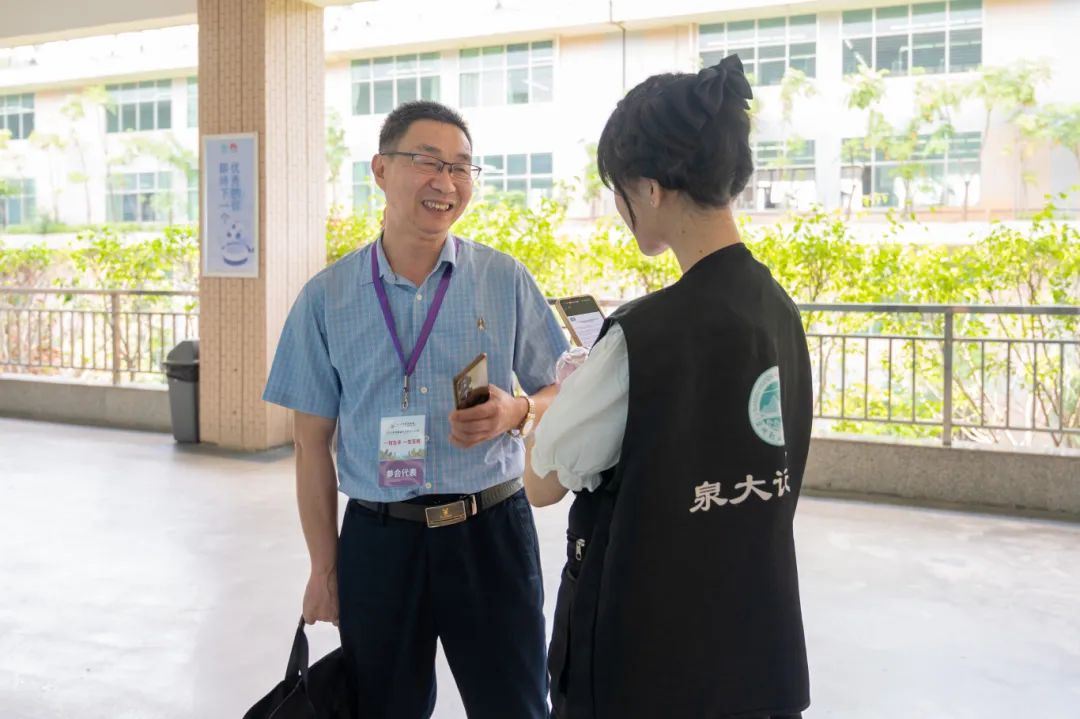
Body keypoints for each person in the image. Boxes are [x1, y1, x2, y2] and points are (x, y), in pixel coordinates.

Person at [524, 55, 813, 718]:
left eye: (619, 190)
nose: (620, 207)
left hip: (644, 659)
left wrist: (557, 401)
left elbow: (541, 483)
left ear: (651, 189)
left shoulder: (640, 335)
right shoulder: (779, 310)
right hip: (752, 650)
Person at [263, 100, 569, 719]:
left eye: (461, 167)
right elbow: (310, 444)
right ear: (380, 169)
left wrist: (516, 411)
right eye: (428, 162)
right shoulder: (326, 298)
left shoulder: (504, 278)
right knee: (382, 707)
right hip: (381, 539)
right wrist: (324, 569)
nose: (446, 182)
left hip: (490, 531)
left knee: (515, 706)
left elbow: (561, 388)